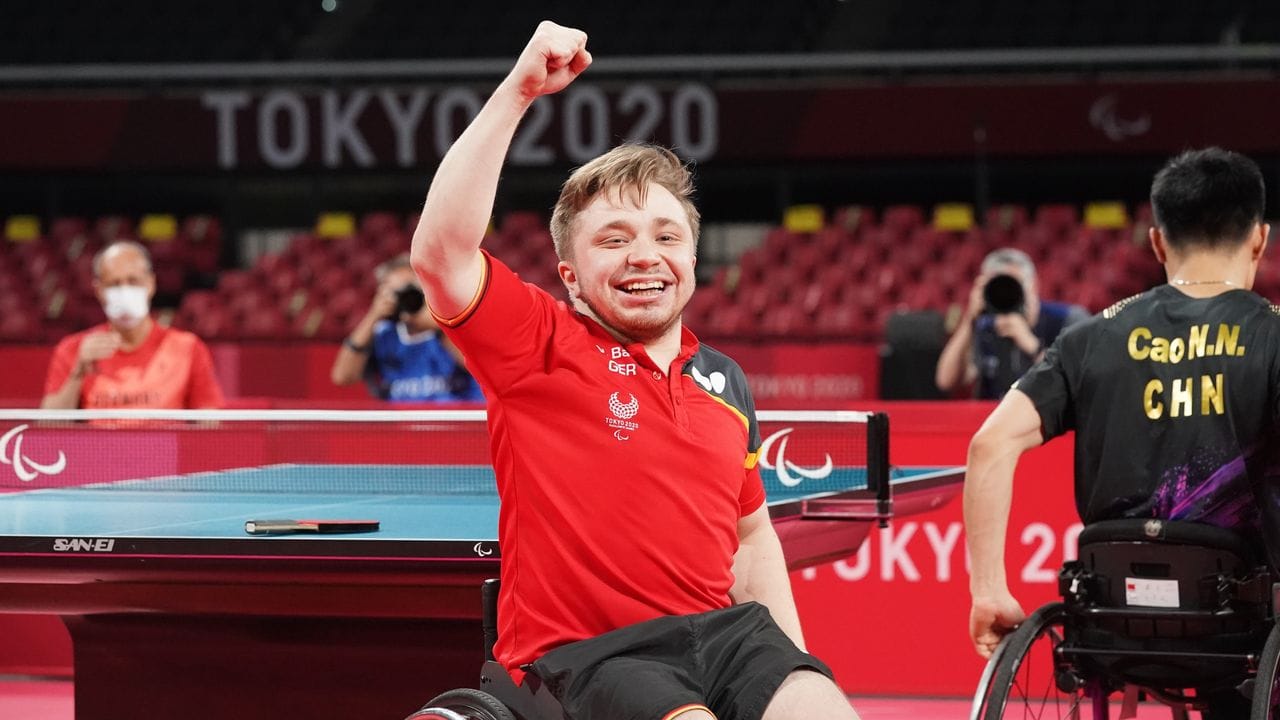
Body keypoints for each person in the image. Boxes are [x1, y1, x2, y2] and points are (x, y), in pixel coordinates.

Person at [410, 21, 856, 720]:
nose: (645, 255)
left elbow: (750, 535)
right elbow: (440, 255)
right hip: (596, 652)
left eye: (666, 236)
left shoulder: (726, 382)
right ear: (572, 276)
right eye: (614, 240)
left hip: (728, 641)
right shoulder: (537, 344)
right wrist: (520, 90)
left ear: (693, 257)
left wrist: (788, 664)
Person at [964, 148, 1275, 714]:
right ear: (1259, 239)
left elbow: (989, 445)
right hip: (1241, 632)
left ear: (1157, 242)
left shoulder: (1090, 339)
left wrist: (987, 591)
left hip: (1111, 625)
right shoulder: (1274, 339)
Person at [42, 240, 224, 409]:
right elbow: (49, 426)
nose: (124, 291)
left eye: (133, 281)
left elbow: (209, 424)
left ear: (150, 284)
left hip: (164, 444)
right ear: (98, 290)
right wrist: (78, 372)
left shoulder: (188, 348)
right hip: (102, 444)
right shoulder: (73, 350)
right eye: (114, 284)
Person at [935, 248, 1089, 399]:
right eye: (999, 287)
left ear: (1033, 286)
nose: (1007, 293)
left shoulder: (1068, 320)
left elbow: (1078, 381)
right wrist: (970, 318)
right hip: (992, 416)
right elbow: (946, 381)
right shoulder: (985, 325)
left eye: (1013, 285)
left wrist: (1031, 345)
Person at [330, 253, 482, 403]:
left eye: (411, 290)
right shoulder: (383, 334)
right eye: (397, 293)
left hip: (454, 422)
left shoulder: (454, 325)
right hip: (402, 423)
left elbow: (481, 369)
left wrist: (439, 325)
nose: (406, 299)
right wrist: (373, 315)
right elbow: (342, 377)